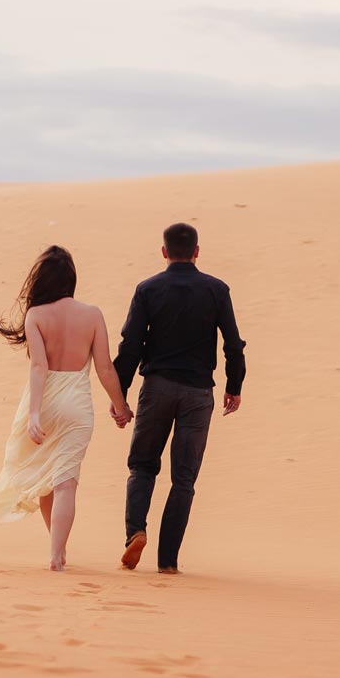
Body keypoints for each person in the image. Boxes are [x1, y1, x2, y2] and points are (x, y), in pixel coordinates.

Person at [0, 245, 132, 571]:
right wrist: (120, 406)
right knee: (66, 481)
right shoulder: (92, 314)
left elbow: (38, 368)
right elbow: (105, 368)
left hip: (46, 403)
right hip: (78, 407)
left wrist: (35, 414)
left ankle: (58, 552)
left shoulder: (36, 316)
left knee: (46, 482)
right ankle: (57, 555)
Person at [114, 222, 247, 574]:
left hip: (157, 387)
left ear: (163, 251)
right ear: (197, 251)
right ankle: (168, 562)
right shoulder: (216, 290)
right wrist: (235, 386)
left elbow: (130, 346)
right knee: (183, 479)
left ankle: (135, 532)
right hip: (198, 393)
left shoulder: (148, 289)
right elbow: (233, 344)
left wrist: (120, 396)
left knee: (142, 466)